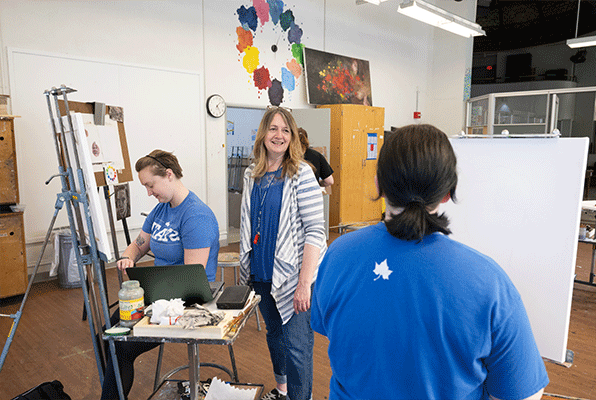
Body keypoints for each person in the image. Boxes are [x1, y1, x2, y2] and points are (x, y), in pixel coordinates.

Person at [311, 124, 549, 400]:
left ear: (379, 183)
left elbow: (331, 330)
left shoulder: (337, 256)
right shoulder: (488, 281)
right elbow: (524, 394)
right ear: (448, 192)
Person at [101, 149, 220, 399]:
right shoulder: (161, 210)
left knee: (121, 346)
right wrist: (128, 257)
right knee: (109, 331)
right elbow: (139, 243)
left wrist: (151, 296)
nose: (149, 192)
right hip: (159, 295)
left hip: (186, 303)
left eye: (150, 185)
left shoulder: (196, 215)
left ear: (168, 175)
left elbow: (190, 280)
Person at [239, 107, 328, 400]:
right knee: (275, 337)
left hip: (293, 276)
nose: (279, 136)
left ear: (292, 138)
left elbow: (316, 231)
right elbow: (248, 224)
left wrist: (304, 284)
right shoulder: (252, 174)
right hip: (261, 273)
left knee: (297, 346)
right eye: (273, 129)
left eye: (285, 130)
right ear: (263, 134)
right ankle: (283, 391)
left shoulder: (302, 173)